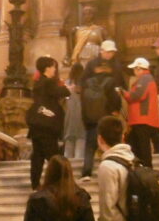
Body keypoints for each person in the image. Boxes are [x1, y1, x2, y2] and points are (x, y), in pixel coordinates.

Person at [80, 40, 123, 181]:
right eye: (109, 51)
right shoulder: (111, 78)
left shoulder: (88, 80)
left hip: (91, 116)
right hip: (106, 115)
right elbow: (116, 94)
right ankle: (112, 169)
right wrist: (116, 110)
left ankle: (86, 172)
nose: (110, 54)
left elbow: (82, 93)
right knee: (111, 143)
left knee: (90, 145)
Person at [28, 56, 70, 190]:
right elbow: (63, 92)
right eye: (53, 66)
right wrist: (65, 86)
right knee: (55, 156)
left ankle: (35, 183)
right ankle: (60, 183)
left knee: (38, 156)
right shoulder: (49, 82)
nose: (54, 69)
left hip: (36, 125)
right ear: (47, 68)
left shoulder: (37, 83)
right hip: (47, 125)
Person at [121, 57, 159, 168]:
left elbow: (137, 95)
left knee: (143, 147)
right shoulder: (146, 79)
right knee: (136, 145)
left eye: (135, 69)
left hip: (142, 119)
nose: (134, 72)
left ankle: (147, 168)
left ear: (139, 69)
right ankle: (143, 167)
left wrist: (124, 93)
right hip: (140, 119)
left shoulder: (145, 79)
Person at [62, 63, 86, 162]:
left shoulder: (67, 84)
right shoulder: (85, 85)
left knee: (69, 142)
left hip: (69, 115)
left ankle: (66, 168)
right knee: (81, 141)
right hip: (82, 115)